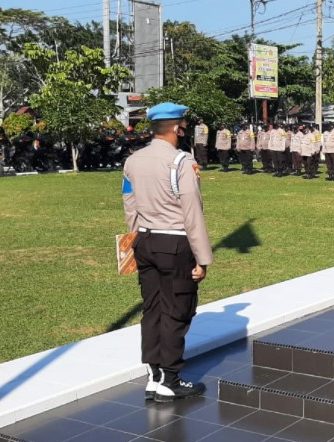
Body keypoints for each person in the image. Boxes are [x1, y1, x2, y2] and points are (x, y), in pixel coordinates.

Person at [122, 102, 211, 402]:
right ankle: (170, 379)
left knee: (153, 310)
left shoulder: (133, 161)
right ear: (175, 128)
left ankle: (154, 376)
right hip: (174, 243)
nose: (183, 131)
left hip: (145, 240)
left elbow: (129, 204)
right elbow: (192, 212)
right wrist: (203, 258)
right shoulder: (181, 162)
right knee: (177, 310)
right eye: (183, 126)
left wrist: (132, 242)